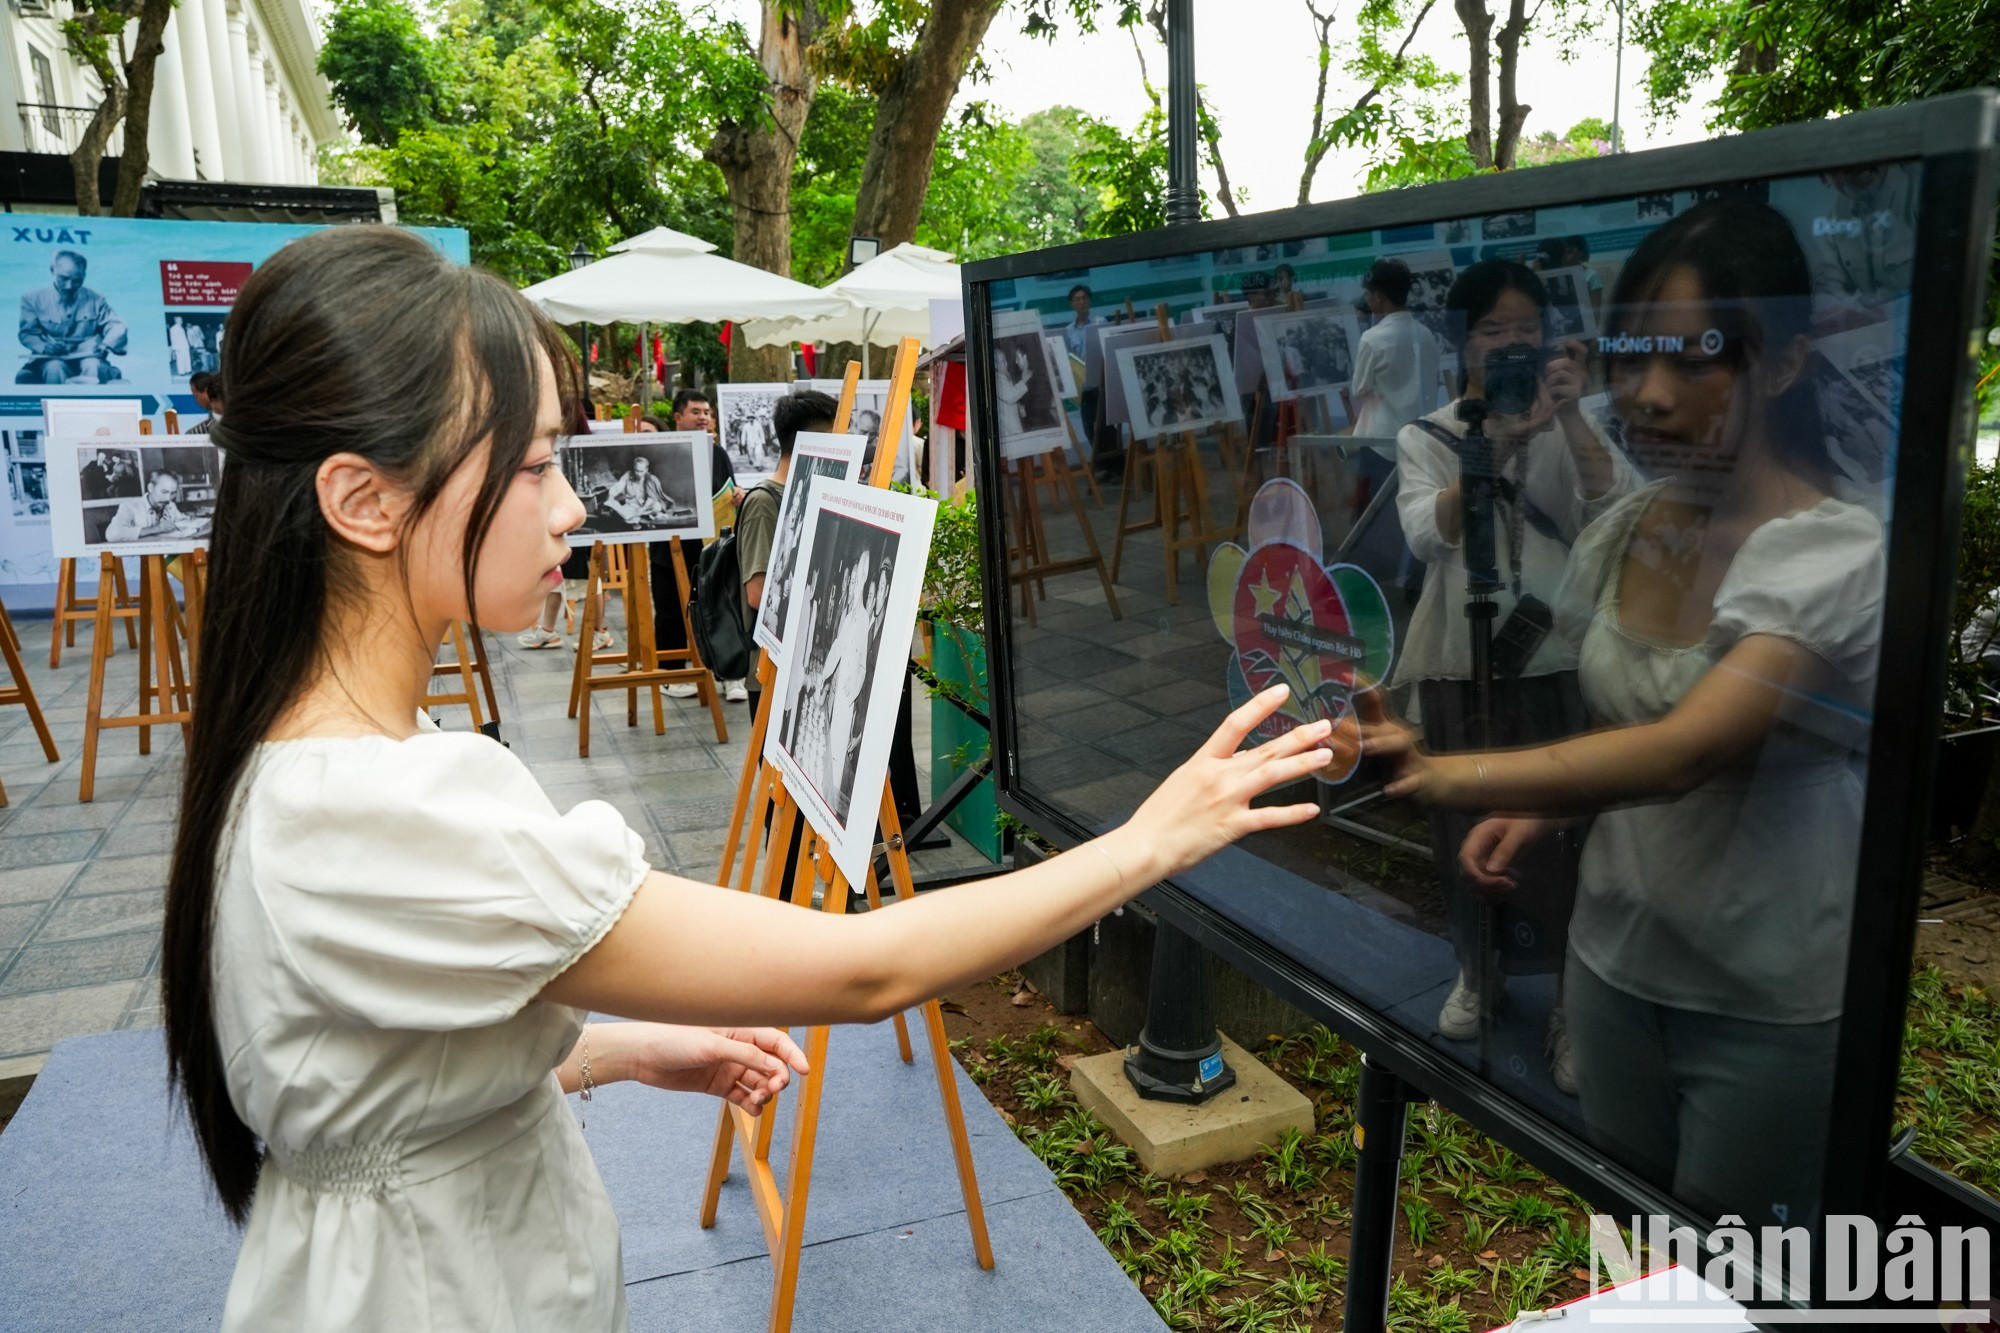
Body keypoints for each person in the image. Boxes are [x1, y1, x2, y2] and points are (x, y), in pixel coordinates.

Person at [160, 224, 1334, 1331]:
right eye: (528, 467)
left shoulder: (317, 762)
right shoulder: (379, 805)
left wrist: (606, 1051)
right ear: (364, 501)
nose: (571, 504)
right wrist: (1149, 839)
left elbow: (370, 1061)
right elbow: (866, 965)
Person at [1361, 200, 1881, 1227]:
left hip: (1762, 984)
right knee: (1629, 1230)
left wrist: (1443, 773)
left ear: (1777, 364)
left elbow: (1684, 748)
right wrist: (1547, 810)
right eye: (1630, 356)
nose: (1646, 394)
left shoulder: (1831, 550)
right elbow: (1620, 710)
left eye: (1693, 360)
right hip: (1611, 954)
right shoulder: (1637, 523)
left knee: (1739, 1270)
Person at [1390, 258, 1632, 1092]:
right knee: (1461, 829)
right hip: (1462, 661)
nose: (1513, 342)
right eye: (1495, 328)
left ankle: (1570, 1001)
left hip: (1557, 655)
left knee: (1565, 840)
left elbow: (1614, 512)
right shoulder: (1427, 433)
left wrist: (1565, 419)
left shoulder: (1581, 417)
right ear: (1463, 343)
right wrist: (1489, 446)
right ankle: (1477, 970)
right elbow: (1426, 535)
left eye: (1526, 327)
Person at [739, 390, 837, 719]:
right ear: (813, 441)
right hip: (777, 671)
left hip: (814, 668)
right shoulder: (764, 502)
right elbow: (758, 594)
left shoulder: (821, 493)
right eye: (836, 437)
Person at [655, 388, 743, 698]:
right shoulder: (662, 451)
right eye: (696, 412)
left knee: (720, 604)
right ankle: (672, 672)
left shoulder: (717, 452)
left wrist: (737, 496)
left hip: (710, 546)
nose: (704, 417)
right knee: (670, 608)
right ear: (678, 417)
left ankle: (728, 671)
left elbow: (729, 486)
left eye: (707, 412)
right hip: (670, 544)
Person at [1346, 258, 1443, 468]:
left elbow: (1360, 389)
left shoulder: (1372, 339)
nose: (1366, 298)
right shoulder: (1426, 334)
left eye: (1368, 293)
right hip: (1421, 441)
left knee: (1379, 499)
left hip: (1383, 443)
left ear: (1379, 297)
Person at [17, 249, 128, 384]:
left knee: (94, 366)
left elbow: (116, 325)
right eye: (63, 278)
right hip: (50, 357)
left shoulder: (96, 299)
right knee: (54, 368)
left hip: (88, 355)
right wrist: (44, 347)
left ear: (84, 275)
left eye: (77, 280)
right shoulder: (32, 299)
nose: (70, 286)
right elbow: (27, 333)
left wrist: (105, 344)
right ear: (53, 271)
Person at [105, 469, 192, 542]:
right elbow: (111, 534)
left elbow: (183, 521)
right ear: (151, 488)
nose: (168, 498)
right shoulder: (129, 507)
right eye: (164, 492)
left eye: (173, 493)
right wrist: (155, 529)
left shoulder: (171, 506)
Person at [605, 453, 677, 526]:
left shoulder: (650, 479)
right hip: (631, 507)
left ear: (646, 469)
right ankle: (640, 517)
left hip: (645, 507)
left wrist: (642, 509)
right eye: (637, 471)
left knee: (657, 506)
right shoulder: (627, 475)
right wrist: (611, 495)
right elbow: (618, 486)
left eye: (641, 471)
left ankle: (636, 518)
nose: (639, 474)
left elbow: (651, 498)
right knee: (614, 505)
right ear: (634, 468)